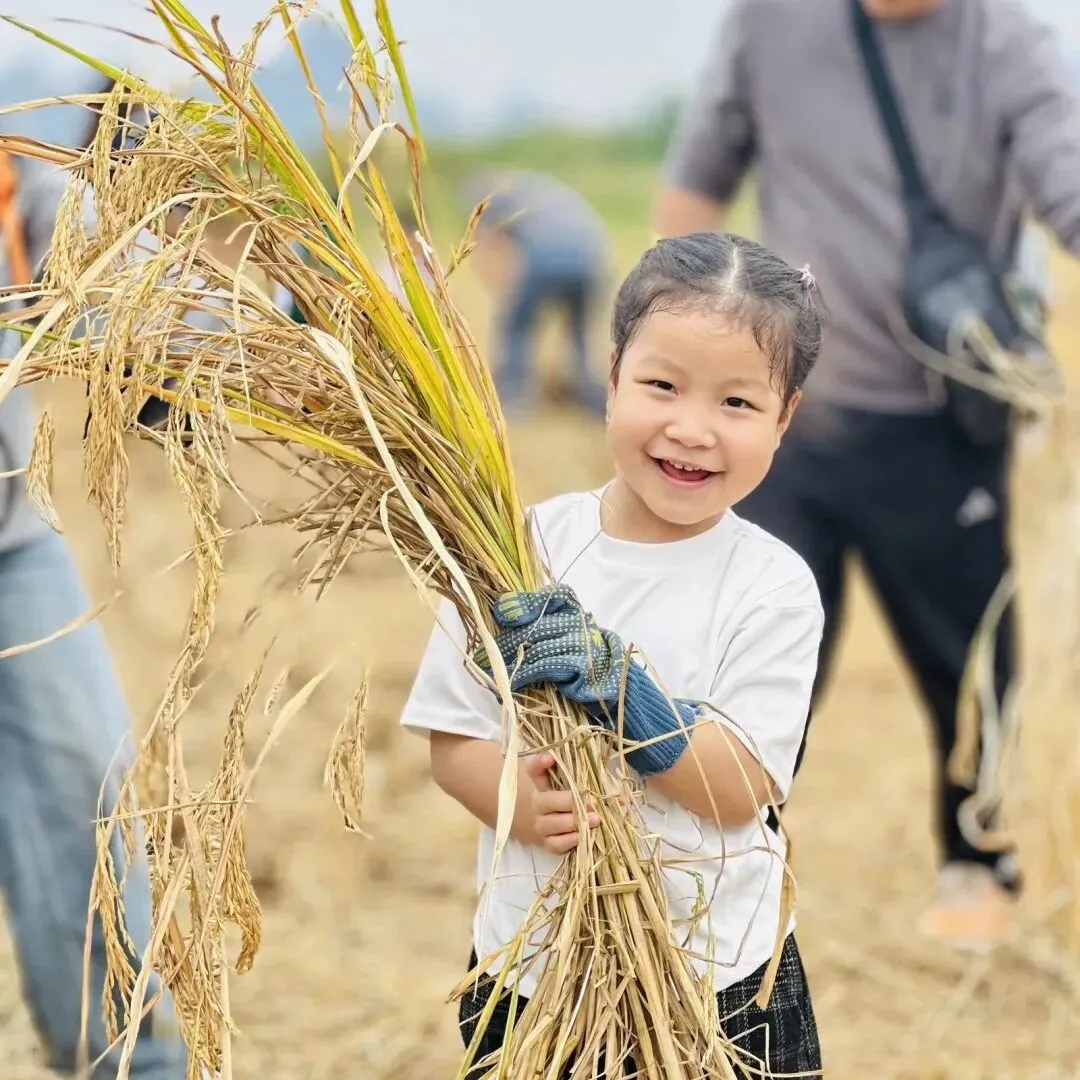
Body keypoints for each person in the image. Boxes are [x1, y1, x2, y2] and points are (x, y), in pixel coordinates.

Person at [652, 0, 1080, 949]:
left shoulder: (1008, 45)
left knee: (969, 659)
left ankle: (980, 859)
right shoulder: (772, 22)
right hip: (783, 419)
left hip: (943, 422)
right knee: (747, 652)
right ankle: (718, 865)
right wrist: (667, 357)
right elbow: (696, 183)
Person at [401, 232, 827, 1077]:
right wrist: (519, 805)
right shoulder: (520, 551)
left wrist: (620, 688)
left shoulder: (773, 586)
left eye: (737, 403)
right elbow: (453, 735)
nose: (691, 429)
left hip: (719, 979)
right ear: (610, 378)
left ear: (785, 419)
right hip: (537, 971)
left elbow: (741, 787)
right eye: (661, 386)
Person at [0, 109, 188, 1077]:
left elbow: (124, 278)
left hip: (10, 549)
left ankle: (131, 1066)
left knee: (88, 800)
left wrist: (281, 323)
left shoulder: (14, 180)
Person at [462, 168, 612, 416]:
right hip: (591, 262)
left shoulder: (497, 199)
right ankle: (589, 394)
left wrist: (507, 297)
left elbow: (491, 247)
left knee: (517, 329)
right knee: (578, 333)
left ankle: (514, 398)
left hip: (544, 259)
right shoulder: (547, 191)